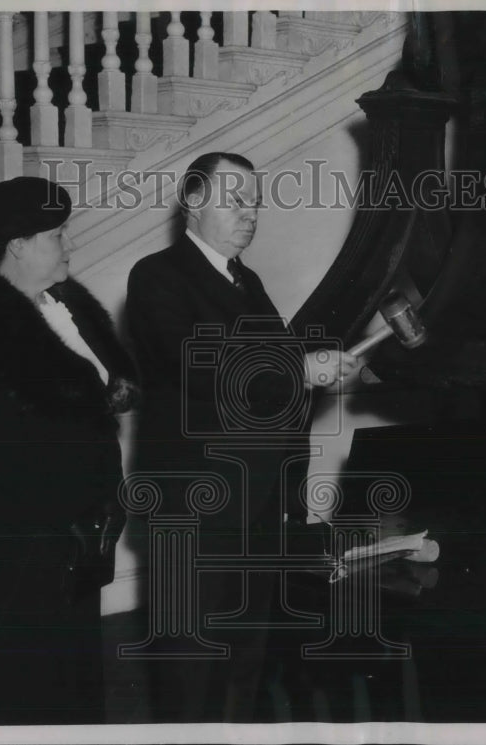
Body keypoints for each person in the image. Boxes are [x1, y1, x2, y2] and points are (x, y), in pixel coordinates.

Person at [125, 152, 357, 722]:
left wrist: (313, 363)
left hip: (255, 505)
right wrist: (300, 370)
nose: (249, 214)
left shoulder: (246, 280)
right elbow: (197, 364)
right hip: (193, 509)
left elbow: (263, 370)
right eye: (234, 201)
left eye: (254, 202)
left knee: (243, 659)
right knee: (191, 661)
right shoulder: (157, 275)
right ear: (193, 204)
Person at [0, 176, 139, 724]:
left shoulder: (63, 305)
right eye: (56, 235)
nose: (67, 245)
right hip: (21, 535)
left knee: (70, 678)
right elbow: (5, 445)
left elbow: (98, 395)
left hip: (75, 532)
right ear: (18, 245)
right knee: (20, 686)